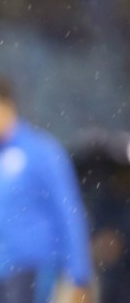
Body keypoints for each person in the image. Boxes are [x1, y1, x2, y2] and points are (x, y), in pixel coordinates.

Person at [0, 75, 92, 303]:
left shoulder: (41, 152)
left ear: (5, 107)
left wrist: (79, 276)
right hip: (0, 273)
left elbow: (69, 212)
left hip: (34, 270)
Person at [71, 129, 130, 303]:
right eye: (120, 171)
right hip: (113, 286)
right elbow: (100, 246)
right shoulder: (106, 200)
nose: (124, 176)